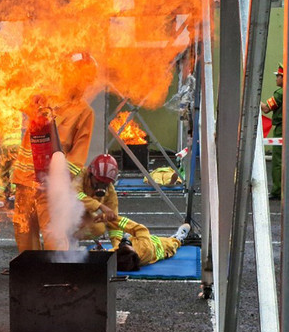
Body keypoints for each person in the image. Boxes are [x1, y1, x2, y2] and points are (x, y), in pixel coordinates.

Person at [11, 51, 97, 252]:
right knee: (24, 232)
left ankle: (58, 274)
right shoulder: (43, 99)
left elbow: (78, 157)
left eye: (86, 79)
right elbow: (13, 99)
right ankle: (31, 273)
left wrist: (58, 184)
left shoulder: (85, 113)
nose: (81, 83)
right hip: (24, 181)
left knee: (53, 235)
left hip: (49, 187)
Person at [74, 153, 121, 245]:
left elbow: (113, 221)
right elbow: (74, 195)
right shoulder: (79, 174)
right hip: (63, 211)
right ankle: (56, 238)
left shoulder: (110, 190)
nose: (101, 185)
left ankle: (70, 239)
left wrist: (117, 246)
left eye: (105, 183)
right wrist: (100, 206)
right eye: (99, 181)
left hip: (82, 214)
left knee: (98, 228)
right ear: (90, 173)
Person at [113, 218, 191, 271]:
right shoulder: (145, 249)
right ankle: (179, 237)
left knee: (127, 237)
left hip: (146, 240)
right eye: (128, 245)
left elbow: (110, 253)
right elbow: (141, 229)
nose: (126, 243)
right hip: (161, 246)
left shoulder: (121, 256)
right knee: (173, 243)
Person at [260, 62, 284, 200]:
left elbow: (266, 108)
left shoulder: (280, 92)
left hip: (281, 129)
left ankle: (277, 190)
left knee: (278, 161)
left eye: (278, 76)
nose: (276, 79)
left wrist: (254, 100)